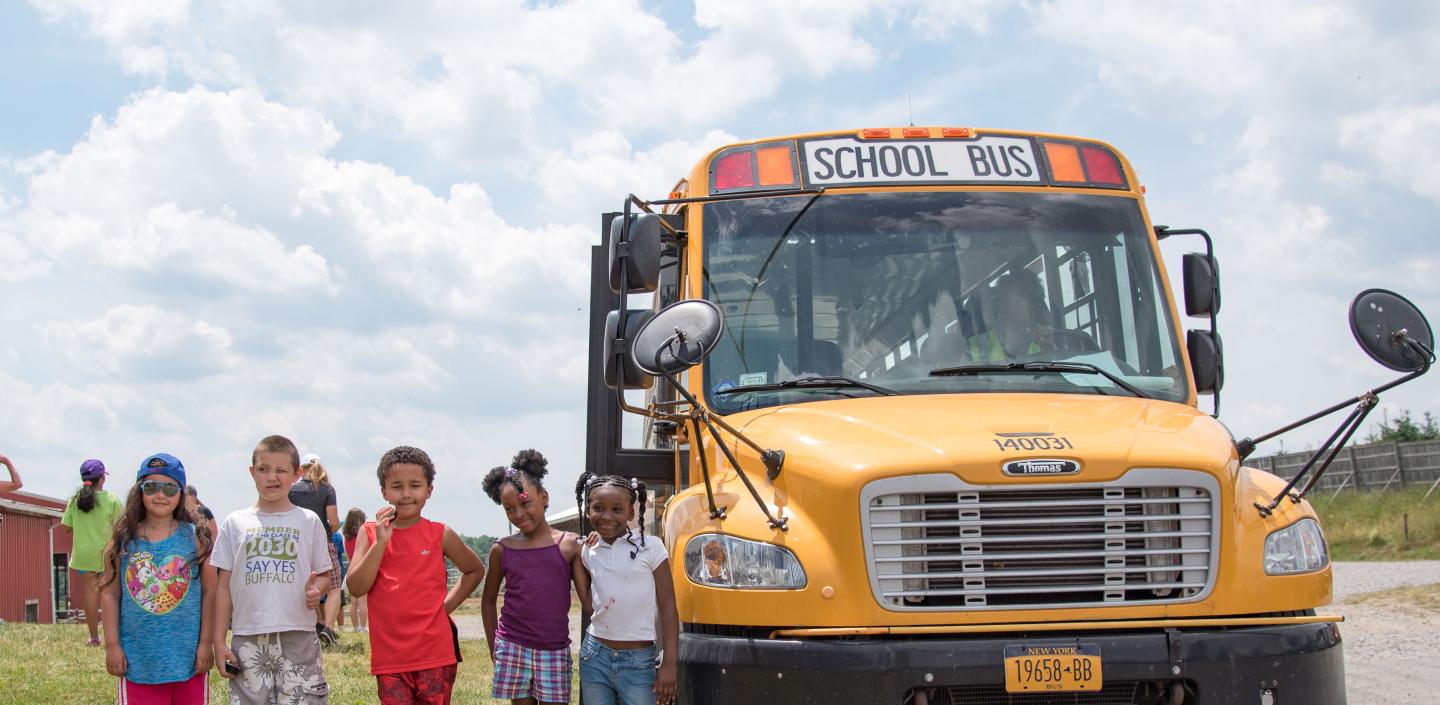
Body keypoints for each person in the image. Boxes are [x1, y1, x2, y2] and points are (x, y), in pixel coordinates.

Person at [346, 446, 485, 705]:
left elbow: (474, 569)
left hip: (435, 654)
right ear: (384, 491)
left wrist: (445, 608)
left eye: (415, 485)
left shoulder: (439, 533)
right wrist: (380, 544)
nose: (407, 494)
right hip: (390, 659)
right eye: (397, 486)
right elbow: (356, 587)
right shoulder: (370, 533)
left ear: (429, 490)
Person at [210, 435, 333, 705]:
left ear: (296, 474)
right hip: (247, 635)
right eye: (263, 469)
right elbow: (222, 587)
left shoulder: (308, 521)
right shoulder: (235, 523)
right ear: (252, 472)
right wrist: (219, 641)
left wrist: (317, 590)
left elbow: (324, 576)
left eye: (280, 470)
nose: (271, 477)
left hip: (298, 632)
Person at [99, 453, 215, 704]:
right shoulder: (124, 540)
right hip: (138, 661)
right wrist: (112, 646)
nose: (160, 495)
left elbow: (210, 593)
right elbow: (110, 594)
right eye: (151, 487)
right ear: (139, 491)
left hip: (189, 661)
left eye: (169, 488)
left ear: (181, 493)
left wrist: (206, 643)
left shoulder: (196, 537)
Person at [480, 450, 590, 705]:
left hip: (554, 649)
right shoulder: (502, 549)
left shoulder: (569, 545)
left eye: (525, 503)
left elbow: (589, 598)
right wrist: (493, 646)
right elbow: (487, 602)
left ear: (544, 497)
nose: (518, 513)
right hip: (512, 647)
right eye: (509, 509)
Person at [574, 474, 679, 705]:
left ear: (631, 513)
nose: (607, 517)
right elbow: (593, 600)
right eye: (598, 508)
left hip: (639, 661)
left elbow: (668, 605)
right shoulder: (588, 550)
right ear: (588, 510)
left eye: (617, 509)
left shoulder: (650, 547)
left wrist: (670, 662)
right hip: (595, 656)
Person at [60, 458, 124, 646]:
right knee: (109, 594)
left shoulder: (75, 500)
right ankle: (114, 635)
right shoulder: (113, 500)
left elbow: (67, 527)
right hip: (108, 554)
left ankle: (94, 637)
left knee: (89, 594)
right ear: (102, 478)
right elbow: (121, 528)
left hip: (83, 555)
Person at [291, 453, 342, 646]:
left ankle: (317, 624)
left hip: (298, 544)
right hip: (324, 542)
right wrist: (331, 530)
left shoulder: (292, 490)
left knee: (306, 586)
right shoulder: (327, 489)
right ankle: (328, 627)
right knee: (334, 586)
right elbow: (334, 521)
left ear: (301, 469)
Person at [969, 271, 1055, 362]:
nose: (1015, 304)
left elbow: (1056, 374)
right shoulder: (978, 345)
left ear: (1033, 305)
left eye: (1021, 298)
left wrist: (1048, 347)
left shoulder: (1044, 341)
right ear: (999, 305)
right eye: (1009, 297)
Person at [341, 508, 369, 633]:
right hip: (362, 569)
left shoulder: (346, 537)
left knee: (354, 603)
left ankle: (356, 627)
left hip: (351, 570)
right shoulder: (362, 536)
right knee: (363, 601)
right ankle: (363, 628)